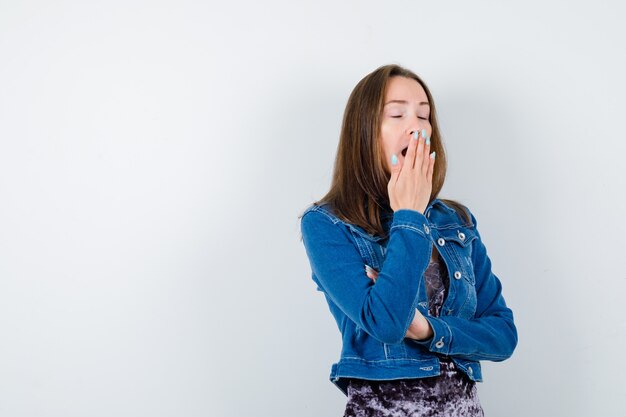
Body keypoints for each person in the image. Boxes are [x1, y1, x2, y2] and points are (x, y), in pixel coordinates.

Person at [299, 64, 518, 416]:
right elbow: (386, 323)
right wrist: (409, 217)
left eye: (425, 115)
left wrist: (427, 329)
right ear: (365, 131)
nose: (416, 126)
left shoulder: (455, 221)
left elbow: (503, 335)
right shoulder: (327, 224)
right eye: (397, 113)